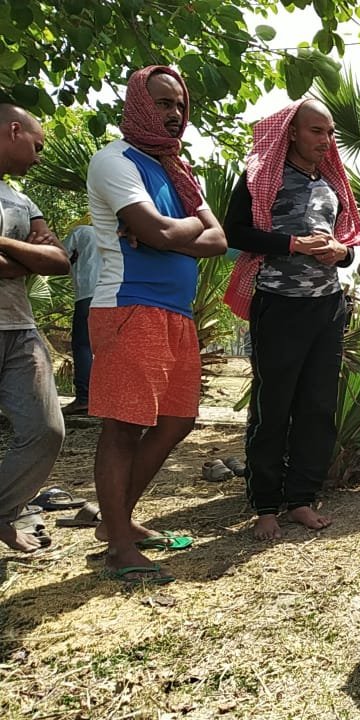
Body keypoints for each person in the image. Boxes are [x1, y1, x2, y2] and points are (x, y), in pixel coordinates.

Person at [86, 67, 227, 581]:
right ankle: (119, 547)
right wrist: (181, 229)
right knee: (124, 426)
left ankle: (115, 523)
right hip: (130, 305)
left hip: (176, 312)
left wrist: (170, 231)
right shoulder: (114, 161)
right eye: (164, 103)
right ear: (140, 106)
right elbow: (161, 231)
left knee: (177, 420)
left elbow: (216, 240)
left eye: (180, 105)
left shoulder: (177, 170)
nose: (175, 114)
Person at [222, 100, 360, 540]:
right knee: (274, 406)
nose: (326, 140)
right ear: (292, 132)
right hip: (279, 304)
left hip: (327, 306)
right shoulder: (261, 177)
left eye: (330, 132)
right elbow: (234, 232)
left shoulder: (332, 183)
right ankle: (265, 506)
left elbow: (348, 248)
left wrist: (342, 252)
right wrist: (292, 244)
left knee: (317, 407)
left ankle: (301, 499)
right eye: (317, 131)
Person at [0, 104, 69, 553]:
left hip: (19, 328)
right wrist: (26, 255)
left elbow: (59, 261)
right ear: (13, 130)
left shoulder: (21, 200)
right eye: (37, 146)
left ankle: (2, 511)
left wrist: (6, 245)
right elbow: (36, 259)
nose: (40, 157)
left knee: (47, 431)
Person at [62, 224, 99, 415]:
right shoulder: (125, 233)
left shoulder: (83, 232)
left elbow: (60, 257)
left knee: (83, 345)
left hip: (89, 293)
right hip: (121, 295)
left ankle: (85, 398)